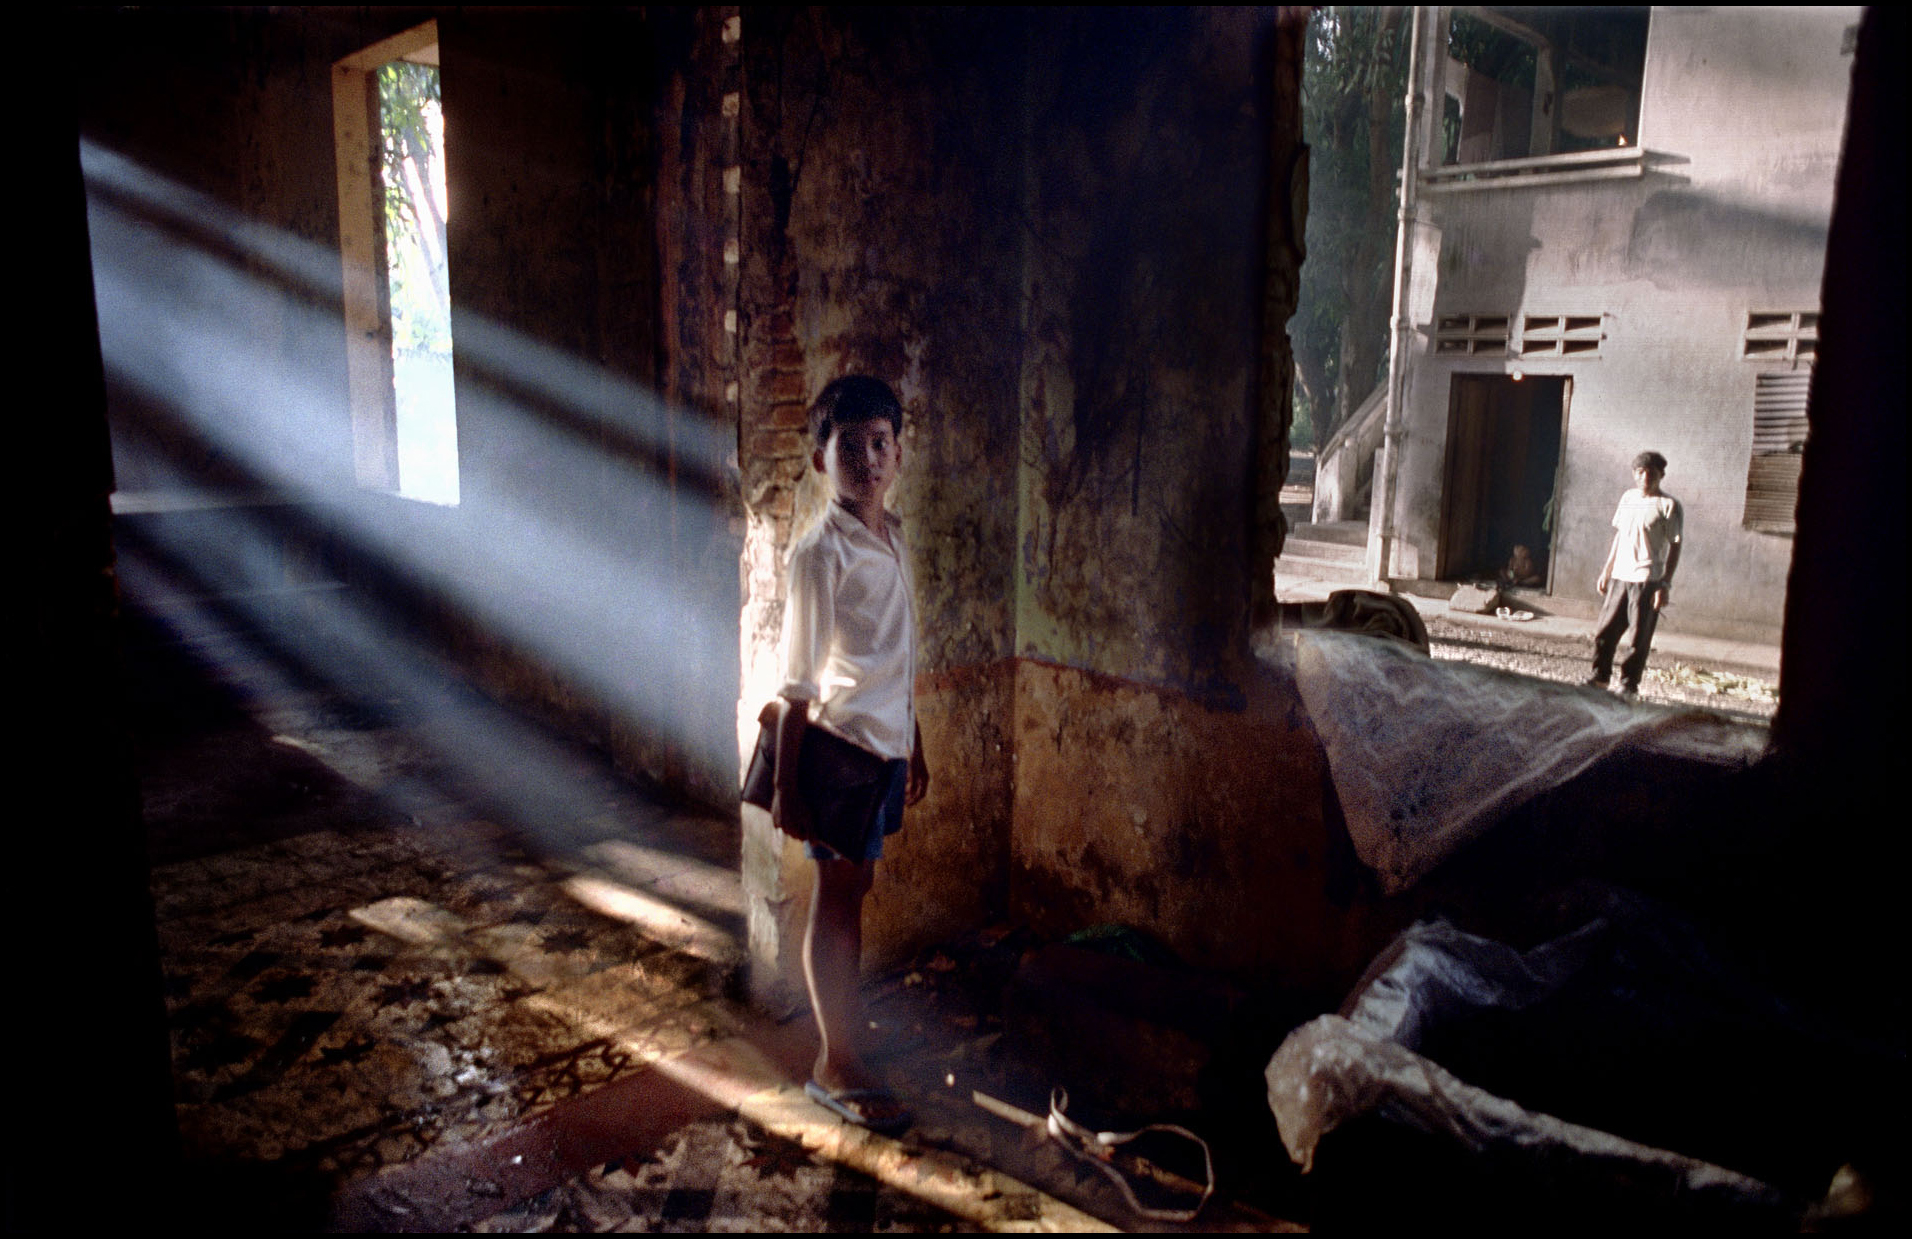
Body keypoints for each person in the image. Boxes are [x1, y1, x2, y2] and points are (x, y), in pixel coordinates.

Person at [772, 375, 929, 1134]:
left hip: (884, 749)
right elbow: (798, 685)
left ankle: (845, 1040)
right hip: (838, 753)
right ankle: (834, 1063)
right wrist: (785, 788)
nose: (867, 459)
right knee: (837, 902)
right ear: (817, 459)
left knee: (853, 895)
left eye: (880, 443)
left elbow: (897, 657)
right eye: (850, 445)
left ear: (898, 452)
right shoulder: (818, 554)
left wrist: (915, 742)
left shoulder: (892, 535)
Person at [1587, 451, 1682, 697]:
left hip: (1647, 580)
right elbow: (1620, 536)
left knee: (1638, 639)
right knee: (1604, 632)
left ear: (1661, 475)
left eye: (1651, 473)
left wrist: (1665, 584)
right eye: (1640, 472)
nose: (1645, 477)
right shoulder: (1628, 498)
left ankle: (1629, 685)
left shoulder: (1668, 505)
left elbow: (1675, 545)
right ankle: (1600, 677)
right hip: (1621, 575)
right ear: (1634, 474)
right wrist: (1606, 571)